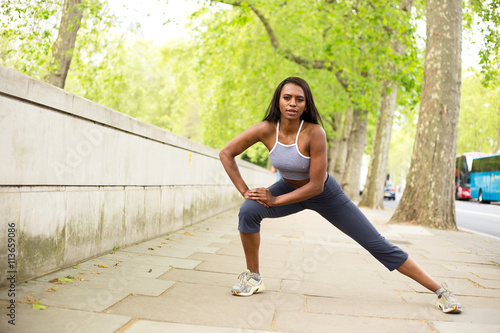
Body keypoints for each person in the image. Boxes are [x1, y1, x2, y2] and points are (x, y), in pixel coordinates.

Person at [218, 77, 462, 314]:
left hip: (325, 193)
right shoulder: (266, 129)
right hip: (288, 187)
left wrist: (274, 200)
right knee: (249, 210)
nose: (293, 103)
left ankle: (441, 291)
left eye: (299, 99)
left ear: (306, 104)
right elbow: (226, 153)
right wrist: (247, 193)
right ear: (278, 101)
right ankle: (253, 277)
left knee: (376, 243)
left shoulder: (315, 133)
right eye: (287, 98)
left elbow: (315, 187)